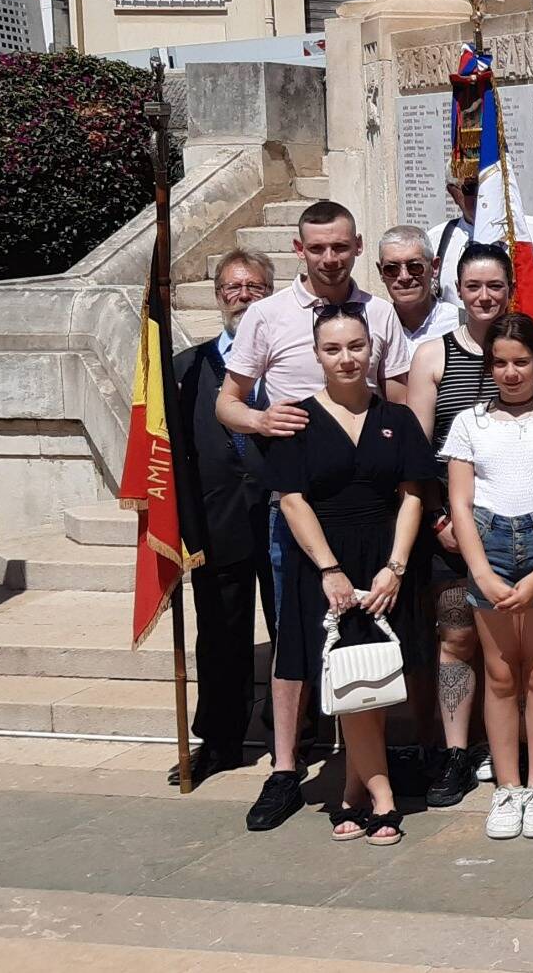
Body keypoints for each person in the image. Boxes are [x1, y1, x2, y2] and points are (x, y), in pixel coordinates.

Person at [218, 199, 415, 833]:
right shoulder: (267, 316)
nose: (329, 257)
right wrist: (259, 419)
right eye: (317, 247)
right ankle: (283, 768)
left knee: (365, 644)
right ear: (299, 251)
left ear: (356, 247)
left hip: (369, 498)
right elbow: (230, 400)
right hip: (298, 498)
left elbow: (405, 392)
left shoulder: (379, 312)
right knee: (297, 642)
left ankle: (365, 772)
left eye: (340, 246)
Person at [262, 301, 432, 846]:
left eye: (356, 346)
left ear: (372, 349)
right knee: (346, 676)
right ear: (316, 355)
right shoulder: (298, 420)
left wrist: (395, 569)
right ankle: (381, 797)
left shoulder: (397, 419)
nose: (346, 358)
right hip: (323, 564)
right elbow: (292, 501)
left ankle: (353, 792)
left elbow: (412, 497)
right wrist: (330, 570)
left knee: (371, 681)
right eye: (333, 349)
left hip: (383, 560)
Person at [442, 313, 533, 841]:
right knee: (501, 675)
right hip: (490, 548)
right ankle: (507, 786)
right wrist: (479, 570)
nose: (510, 373)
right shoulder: (469, 423)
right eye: (500, 363)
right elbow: (459, 501)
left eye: (521, 362)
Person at [405, 240, 515, 808]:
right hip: (451, 527)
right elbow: (419, 448)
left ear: (510, 289)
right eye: (473, 286)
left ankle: (507, 748)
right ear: (457, 290)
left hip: (517, 525)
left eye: (495, 285)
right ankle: (454, 750)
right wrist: (440, 516)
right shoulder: (432, 355)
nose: (484, 296)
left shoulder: (528, 349)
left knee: (511, 643)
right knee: (456, 636)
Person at [167, 247, 275, 786]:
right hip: (217, 521)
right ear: (218, 297)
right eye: (233, 287)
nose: (243, 296)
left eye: (254, 287)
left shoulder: (289, 360)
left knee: (290, 631)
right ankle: (220, 739)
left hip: (283, 517)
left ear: (269, 293)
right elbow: (174, 457)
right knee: (220, 635)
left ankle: (292, 733)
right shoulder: (189, 368)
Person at [427, 167, 533, 330]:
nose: (484, 194)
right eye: (472, 188)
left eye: (491, 184)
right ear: (453, 193)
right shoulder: (436, 239)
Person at [377, 225, 461, 350]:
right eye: (392, 269)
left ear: (435, 267)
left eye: (415, 267)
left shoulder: (460, 323)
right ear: (381, 272)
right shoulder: (374, 326)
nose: (404, 277)